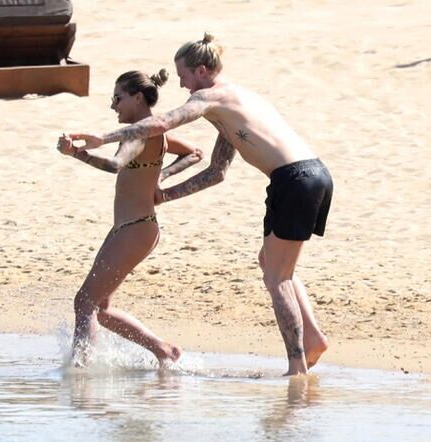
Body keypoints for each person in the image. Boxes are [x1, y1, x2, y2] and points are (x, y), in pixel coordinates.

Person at [67, 33, 333, 376]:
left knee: (277, 278)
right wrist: (166, 193)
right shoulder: (232, 105)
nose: (182, 85)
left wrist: (101, 139)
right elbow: (216, 172)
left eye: (184, 76)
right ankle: (312, 338)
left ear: (202, 71)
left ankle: (297, 368)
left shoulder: (210, 96)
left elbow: (161, 123)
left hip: (294, 179)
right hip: (312, 175)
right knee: (271, 264)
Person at [57, 68, 203, 367]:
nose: (113, 106)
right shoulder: (155, 132)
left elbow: (115, 165)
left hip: (135, 230)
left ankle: (80, 372)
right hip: (132, 228)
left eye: (117, 98)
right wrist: (161, 177)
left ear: (137, 98)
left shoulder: (138, 134)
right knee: (101, 308)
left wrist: (76, 154)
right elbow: (194, 153)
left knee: (84, 302)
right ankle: (164, 350)